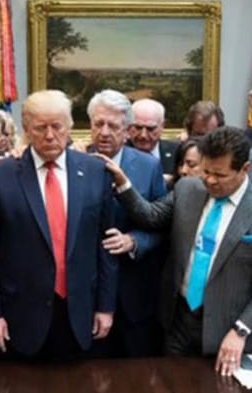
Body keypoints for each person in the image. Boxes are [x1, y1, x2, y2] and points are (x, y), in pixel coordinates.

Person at [105, 126, 252, 375]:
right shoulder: (188, 189)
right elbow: (151, 216)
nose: (210, 180)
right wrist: (123, 183)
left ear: (244, 169)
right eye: (206, 171)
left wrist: (242, 330)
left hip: (230, 331)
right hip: (178, 321)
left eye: (220, 175)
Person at [0, 90, 117, 361]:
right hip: (20, 316)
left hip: (81, 312)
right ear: (26, 129)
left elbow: (105, 246)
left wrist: (106, 307)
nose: (50, 135)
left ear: (70, 127)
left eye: (57, 126)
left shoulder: (95, 172)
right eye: (40, 128)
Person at [86, 90, 166, 357]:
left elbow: (163, 226)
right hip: (87, 291)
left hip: (134, 288)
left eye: (113, 126)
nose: (105, 132)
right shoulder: (72, 162)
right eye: (99, 124)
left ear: (127, 130)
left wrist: (134, 241)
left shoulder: (148, 166)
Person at [128, 99, 179, 182]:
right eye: (138, 127)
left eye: (150, 129)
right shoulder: (119, 151)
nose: (143, 135)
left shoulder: (177, 152)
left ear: (162, 126)